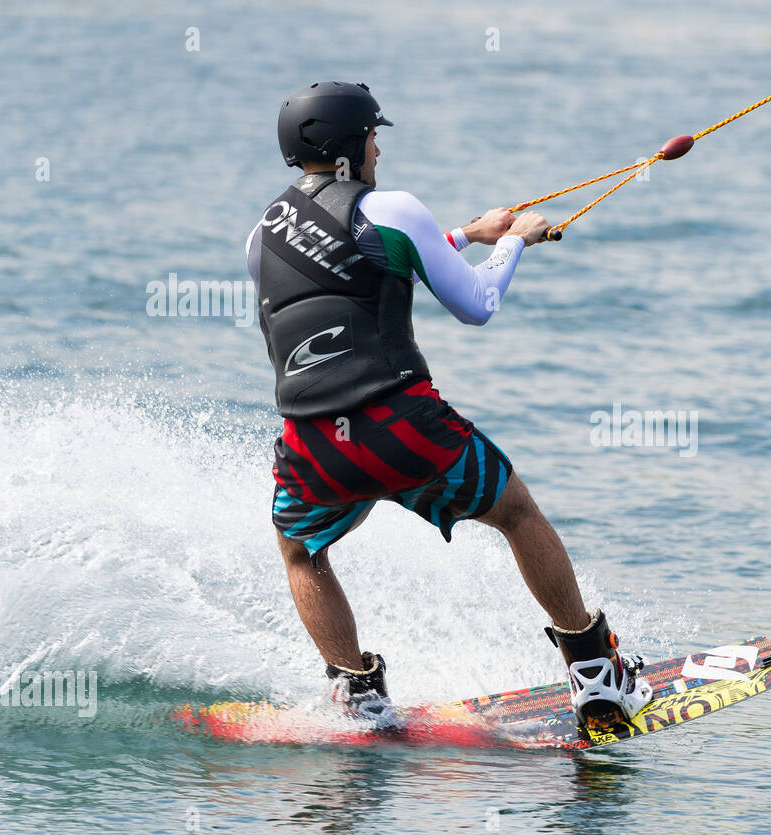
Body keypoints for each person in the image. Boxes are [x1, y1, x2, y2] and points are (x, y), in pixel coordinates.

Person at [244, 81, 651, 731]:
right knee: (516, 513)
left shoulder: (260, 233)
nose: (379, 147)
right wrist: (515, 240)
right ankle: (595, 673)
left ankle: (358, 699)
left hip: (314, 445)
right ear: (353, 145)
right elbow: (476, 306)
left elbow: (355, 268)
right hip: (403, 426)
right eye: (374, 135)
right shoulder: (394, 206)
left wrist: (464, 234)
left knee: (303, 553)